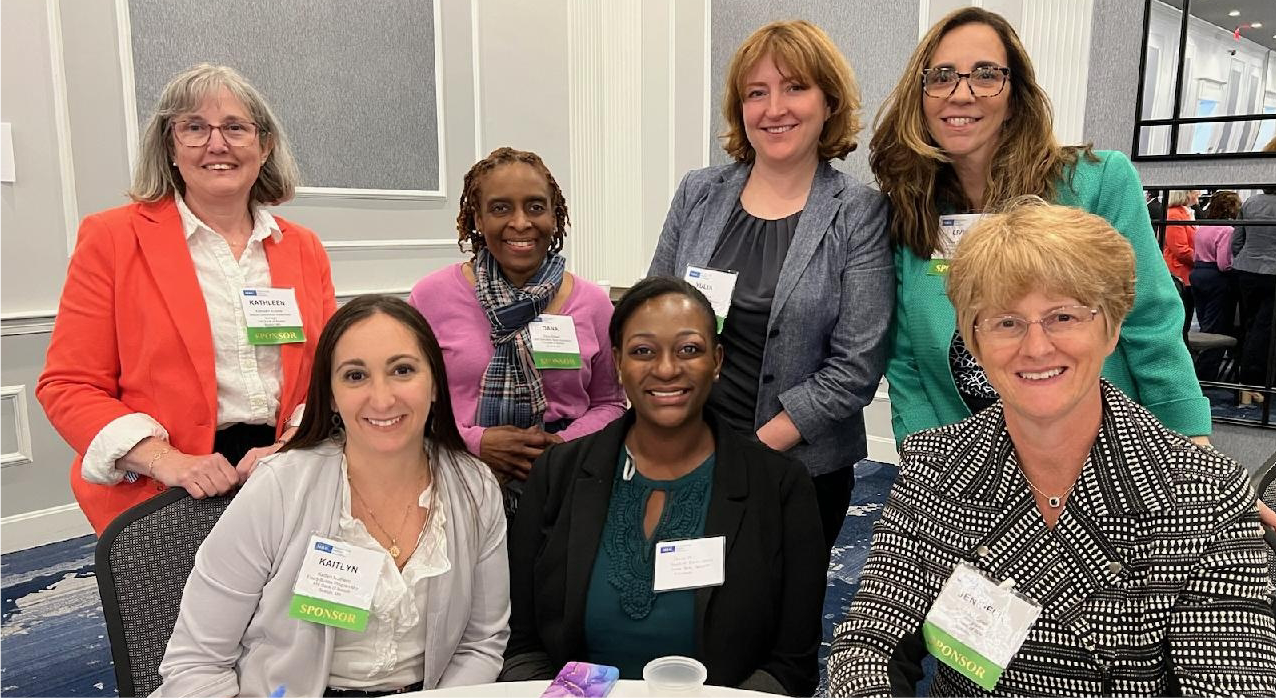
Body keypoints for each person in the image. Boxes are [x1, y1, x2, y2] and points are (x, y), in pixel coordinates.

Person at [828, 202, 1276, 697]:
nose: (1036, 347)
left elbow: (1234, 681)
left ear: (1111, 328)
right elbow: (868, 644)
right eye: (1005, 322)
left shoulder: (1205, 493)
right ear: (973, 342)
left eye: (1063, 316)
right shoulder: (936, 465)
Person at [872, 6, 1211, 446]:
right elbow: (904, 356)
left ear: (1015, 96)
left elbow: (1149, 319)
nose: (960, 93)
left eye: (986, 74)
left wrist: (1187, 437)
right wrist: (925, 453)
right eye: (941, 76)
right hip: (966, 460)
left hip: (1096, 451)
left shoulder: (1095, 183)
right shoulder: (912, 205)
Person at [154, 295, 509, 698]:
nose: (382, 398)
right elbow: (196, 662)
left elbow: (481, 642)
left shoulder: (475, 487)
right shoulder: (280, 487)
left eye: (403, 370)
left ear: (434, 386)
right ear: (332, 396)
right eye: (355, 376)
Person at [36, 64, 336, 534]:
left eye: (236, 128)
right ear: (171, 147)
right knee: (183, 611)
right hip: (168, 489)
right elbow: (69, 386)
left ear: (264, 147)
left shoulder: (303, 247)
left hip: (285, 471)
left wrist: (295, 444)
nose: (217, 144)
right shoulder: (112, 239)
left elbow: (326, 373)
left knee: (291, 605)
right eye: (195, 128)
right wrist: (168, 461)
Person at [502, 278, 826, 697]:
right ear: (617, 363)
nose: (667, 368)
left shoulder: (779, 487)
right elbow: (522, 644)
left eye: (689, 349)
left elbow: (791, 665)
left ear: (717, 360)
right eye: (643, 351)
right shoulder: (557, 474)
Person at [647, 20, 893, 550]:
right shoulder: (699, 192)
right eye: (756, 93)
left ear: (828, 102)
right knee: (681, 609)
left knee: (780, 620)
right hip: (684, 452)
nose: (774, 108)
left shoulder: (858, 213)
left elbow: (856, 367)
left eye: (795, 87)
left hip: (798, 470)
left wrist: (747, 455)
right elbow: (652, 316)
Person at [409, 147, 625, 515]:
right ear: (477, 217)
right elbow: (408, 400)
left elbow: (611, 403)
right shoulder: (431, 297)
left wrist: (560, 445)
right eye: (500, 208)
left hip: (566, 485)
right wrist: (476, 442)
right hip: (457, 484)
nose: (521, 222)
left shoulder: (593, 305)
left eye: (536, 207)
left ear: (555, 218)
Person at [1233, 175, 1276, 406]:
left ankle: (1244, 384)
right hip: (1272, 273)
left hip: (1246, 271)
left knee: (1250, 326)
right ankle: (1253, 384)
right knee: (1265, 331)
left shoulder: (1251, 203)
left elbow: (1236, 241)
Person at [1189, 190, 1241, 381]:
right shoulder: (1227, 230)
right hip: (1216, 278)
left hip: (1197, 274)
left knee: (1204, 324)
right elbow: (1223, 263)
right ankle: (1206, 375)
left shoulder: (1203, 227)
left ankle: (1200, 371)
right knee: (1216, 327)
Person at [1162, 189, 1198, 287]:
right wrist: (1203, 260)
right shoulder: (1174, 215)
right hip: (1179, 272)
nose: (1199, 193)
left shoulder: (1185, 212)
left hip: (1187, 271)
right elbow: (1180, 250)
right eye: (1195, 190)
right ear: (1186, 194)